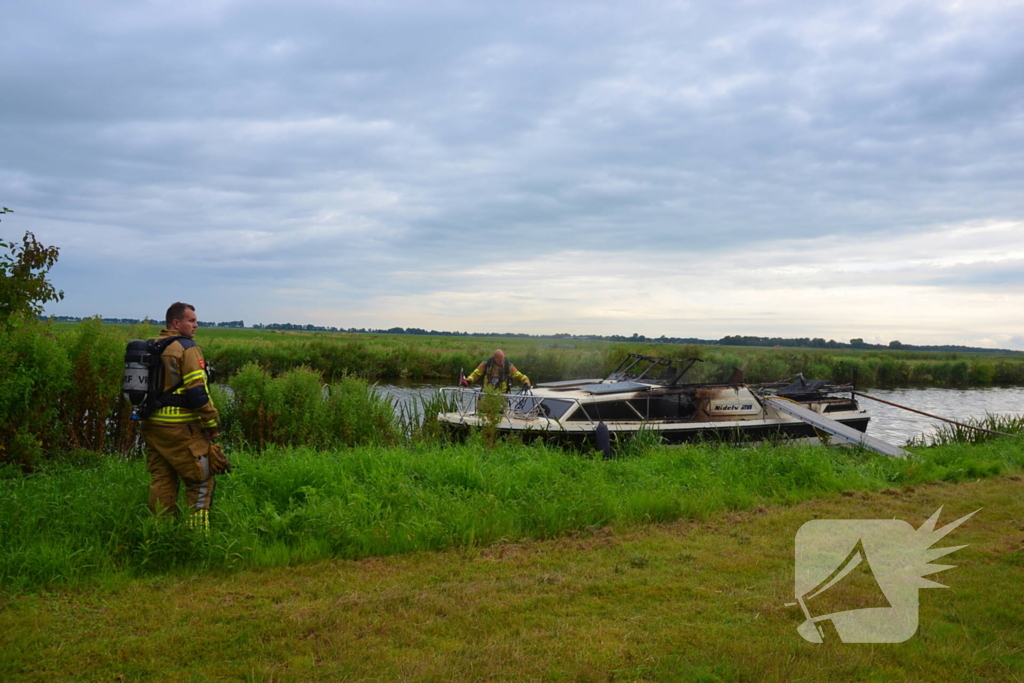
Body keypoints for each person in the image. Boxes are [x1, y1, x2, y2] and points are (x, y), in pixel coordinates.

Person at [141, 302, 221, 531]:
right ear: (176, 323)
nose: (196, 325)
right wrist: (212, 423)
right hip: (180, 427)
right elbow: (197, 392)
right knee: (201, 480)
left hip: (152, 426)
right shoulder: (186, 348)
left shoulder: (152, 346)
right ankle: (195, 536)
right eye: (191, 320)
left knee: (162, 480)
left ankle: (162, 532)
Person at [462, 349, 531, 393]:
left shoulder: (508, 365)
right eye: (499, 360)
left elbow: (517, 375)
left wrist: (526, 381)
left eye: (502, 359)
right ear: (494, 358)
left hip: (502, 396)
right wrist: (468, 380)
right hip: (487, 394)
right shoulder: (486, 363)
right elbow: (476, 373)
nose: (501, 362)